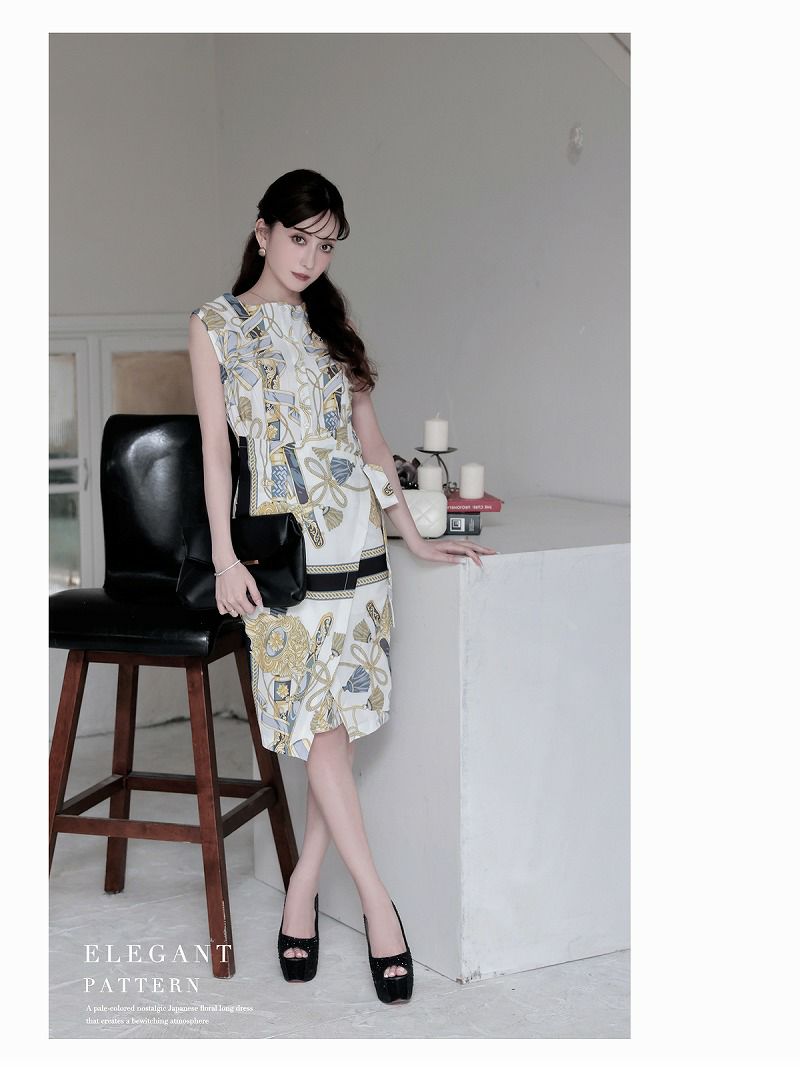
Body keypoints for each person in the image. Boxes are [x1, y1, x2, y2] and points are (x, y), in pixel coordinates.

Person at [188, 169, 497, 1003]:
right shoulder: (215, 326)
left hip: (355, 546)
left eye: (326, 246)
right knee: (318, 723)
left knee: (336, 727)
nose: (310, 259)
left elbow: (371, 441)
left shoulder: (334, 323)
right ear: (262, 231)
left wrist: (412, 537)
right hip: (281, 554)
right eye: (299, 239)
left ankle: (302, 888)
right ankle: (377, 904)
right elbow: (217, 453)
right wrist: (224, 557)